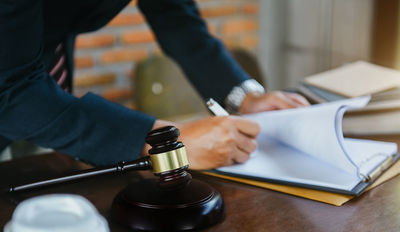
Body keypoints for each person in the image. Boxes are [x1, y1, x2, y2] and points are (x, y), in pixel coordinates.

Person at [0, 0, 309, 169]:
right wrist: (162, 141)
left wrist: (243, 96)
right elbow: (11, 91)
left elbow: (176, 18)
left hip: (48, 86)